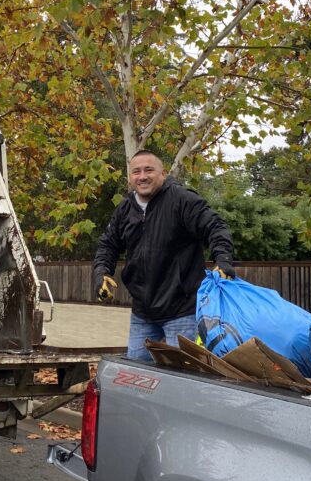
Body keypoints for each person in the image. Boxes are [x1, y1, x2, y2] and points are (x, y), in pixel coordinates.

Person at [92, 150, 235, 361]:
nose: (142, 176)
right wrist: (101, 273)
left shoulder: (183, 200)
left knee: (182, 376)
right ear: (130, 178)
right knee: (137, 377)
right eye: (136, 172)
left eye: (149, 170)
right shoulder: (125, 209)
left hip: (182, 310)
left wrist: (223, 259)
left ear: (163, 173)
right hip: (142, 312)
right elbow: (108, 244)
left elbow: (215, 227)